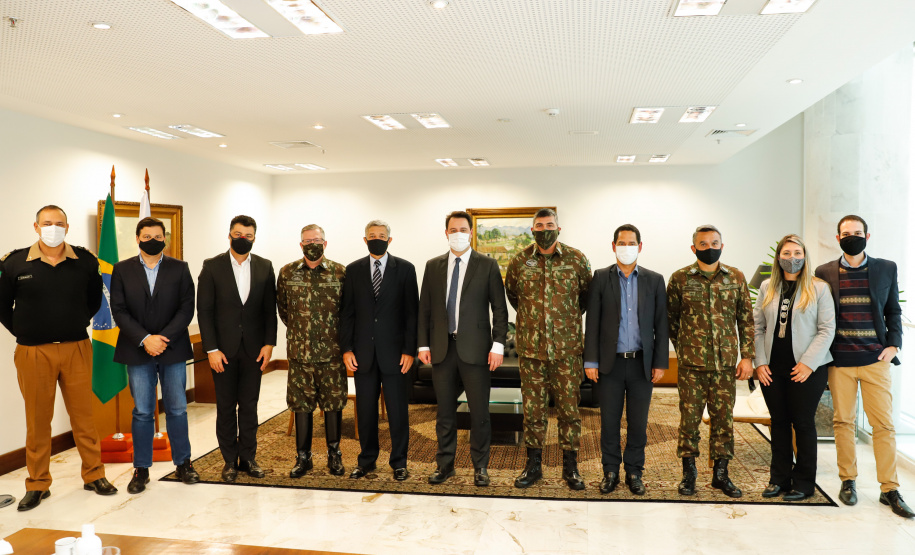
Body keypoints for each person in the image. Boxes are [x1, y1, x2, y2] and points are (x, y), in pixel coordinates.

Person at [0, 205, 117, 511]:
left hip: (76, 347)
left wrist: (69, 323)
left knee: (84, 418)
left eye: (59, 223)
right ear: (36, 227)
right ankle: (38, 484)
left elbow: (93, 301)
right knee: (37, 422)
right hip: (33, 352)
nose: (53, 228)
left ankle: (94, 475)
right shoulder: (14, 263)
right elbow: (2, 307)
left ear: (68, 227)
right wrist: (27, 331)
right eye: (47, 223)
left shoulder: (85, 261)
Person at [815, 215, 913, 518]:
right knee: (843, 422)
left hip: (875, 361)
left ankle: (890, 488)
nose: (852, 237)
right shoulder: (824, 272)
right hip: (840, 361)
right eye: (846, 233)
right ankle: (848, 480)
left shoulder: (886, 268)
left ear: (867, 237)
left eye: (857, 233)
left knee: (883, 425)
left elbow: (893, 310)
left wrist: (893, 345)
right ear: (838, 238)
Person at [417, 210, 508, 487]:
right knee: (444, 412)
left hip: (477, 350)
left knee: (479, 413)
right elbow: (425, 308)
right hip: (442, 350)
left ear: (471, 233)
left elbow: (500, 309)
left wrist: (498, 345)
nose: (458, 234)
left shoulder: (487, 265)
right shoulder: (433, 266)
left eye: (462, 229)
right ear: (446, 233)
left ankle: (480, 466)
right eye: (452, 229)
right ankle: (445, 465)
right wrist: (423, 344)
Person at [505, 208, 591, 490]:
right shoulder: (519, 262)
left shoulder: (577, 260)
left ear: (559, 228)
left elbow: (584, 299)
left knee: (569, 412)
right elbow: (514, 297)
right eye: (539, 225)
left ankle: (571, 466)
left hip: (567, 352)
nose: (544, 229)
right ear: (532, 230)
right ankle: (533, 466)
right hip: (531, 352)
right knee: (534, 413)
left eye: (549, 224)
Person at [110, 216, 197, 494]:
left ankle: (183, 463)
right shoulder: (121, 270)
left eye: (157, 236)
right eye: (146, 237)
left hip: (172, 349)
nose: (152, 241)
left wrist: (162, 339)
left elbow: (186, 308)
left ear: (165, 239)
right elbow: (119, 310)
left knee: (177, 408)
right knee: (144, 411)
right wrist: (145, 339)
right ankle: (141, 468)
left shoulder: (180, 268)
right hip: (138, 350)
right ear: (137, 239)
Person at [667, 224, 754, 498]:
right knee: (689, 422)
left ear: (722, 245)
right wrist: (684, 349)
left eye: (714, 243)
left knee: (723, 421)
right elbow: (671, 321)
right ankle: (689, 474)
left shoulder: (736, 277)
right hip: (692, 366)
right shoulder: (680, 279)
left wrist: (747, 357)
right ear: (694, 248)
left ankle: (721, 474)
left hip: (725, 365)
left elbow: (746, 320)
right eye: (703, 244)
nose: (709, 248)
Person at [584, 224, 668, 496]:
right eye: (622, 242)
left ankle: (634, 472)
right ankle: (610, 471)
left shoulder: (654, 280)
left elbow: (661, 324)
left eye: (632, 243)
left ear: (640, 247)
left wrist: (661, 362)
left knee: (638, 423)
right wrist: (591, 361)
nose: (627, 247)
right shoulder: (600, 277)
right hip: (610, 364)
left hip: (642, 364)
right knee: (608, 422)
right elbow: (592, 322)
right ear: (613, 246)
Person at [753, 234, 835, 501]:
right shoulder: (767, 287)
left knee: (802, 423)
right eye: (786, 253)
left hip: (807, 368)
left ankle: (803, 483)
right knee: (778, 423)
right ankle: (778, 479)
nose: (792, 258)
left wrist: (808, 364)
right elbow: (757, 327)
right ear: (778, 257)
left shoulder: (819, 288)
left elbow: (826, 330)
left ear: (805, 256)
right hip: (772, 368)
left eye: (797, 253)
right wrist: (760, 362)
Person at [197, 215, 277, 483]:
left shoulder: (265, 267)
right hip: (223, 352)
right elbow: (205, 312)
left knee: (250, 406)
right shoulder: (212, 267)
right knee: (226, 406)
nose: (243, 239)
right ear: (229, 235)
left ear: (254, 237)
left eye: (248, 236)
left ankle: (249, 458)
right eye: (238, 234)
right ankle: (229, 460)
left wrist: (269, 344)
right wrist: (211, 349)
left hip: (255, 350)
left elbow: (269, 310)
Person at [341, 220, 419, 481]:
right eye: (372, 235)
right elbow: (348, 314)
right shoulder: (352, 271)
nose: (377, 239)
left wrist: (410, 350)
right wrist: (347, 349)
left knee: (398, 411)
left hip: (397, 355)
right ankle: (366, 460)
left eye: (382, 235)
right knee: (365, 411)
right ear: (365, 240)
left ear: (390, 240)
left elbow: (412, 314)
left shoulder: (406, 269)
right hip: (362, 354)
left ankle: (399, 461)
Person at [276, 224, 348, 478]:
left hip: (332, 354)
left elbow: (346, 313)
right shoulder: (287, 273)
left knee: (333, 404)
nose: (312, 244)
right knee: (301, 406)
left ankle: (334, 455)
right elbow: (284, 311)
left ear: (325, 243)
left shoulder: (340, 273)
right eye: (307, 241)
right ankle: (303, 458)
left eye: (317, 240)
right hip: (300, 355)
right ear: (301, 244)